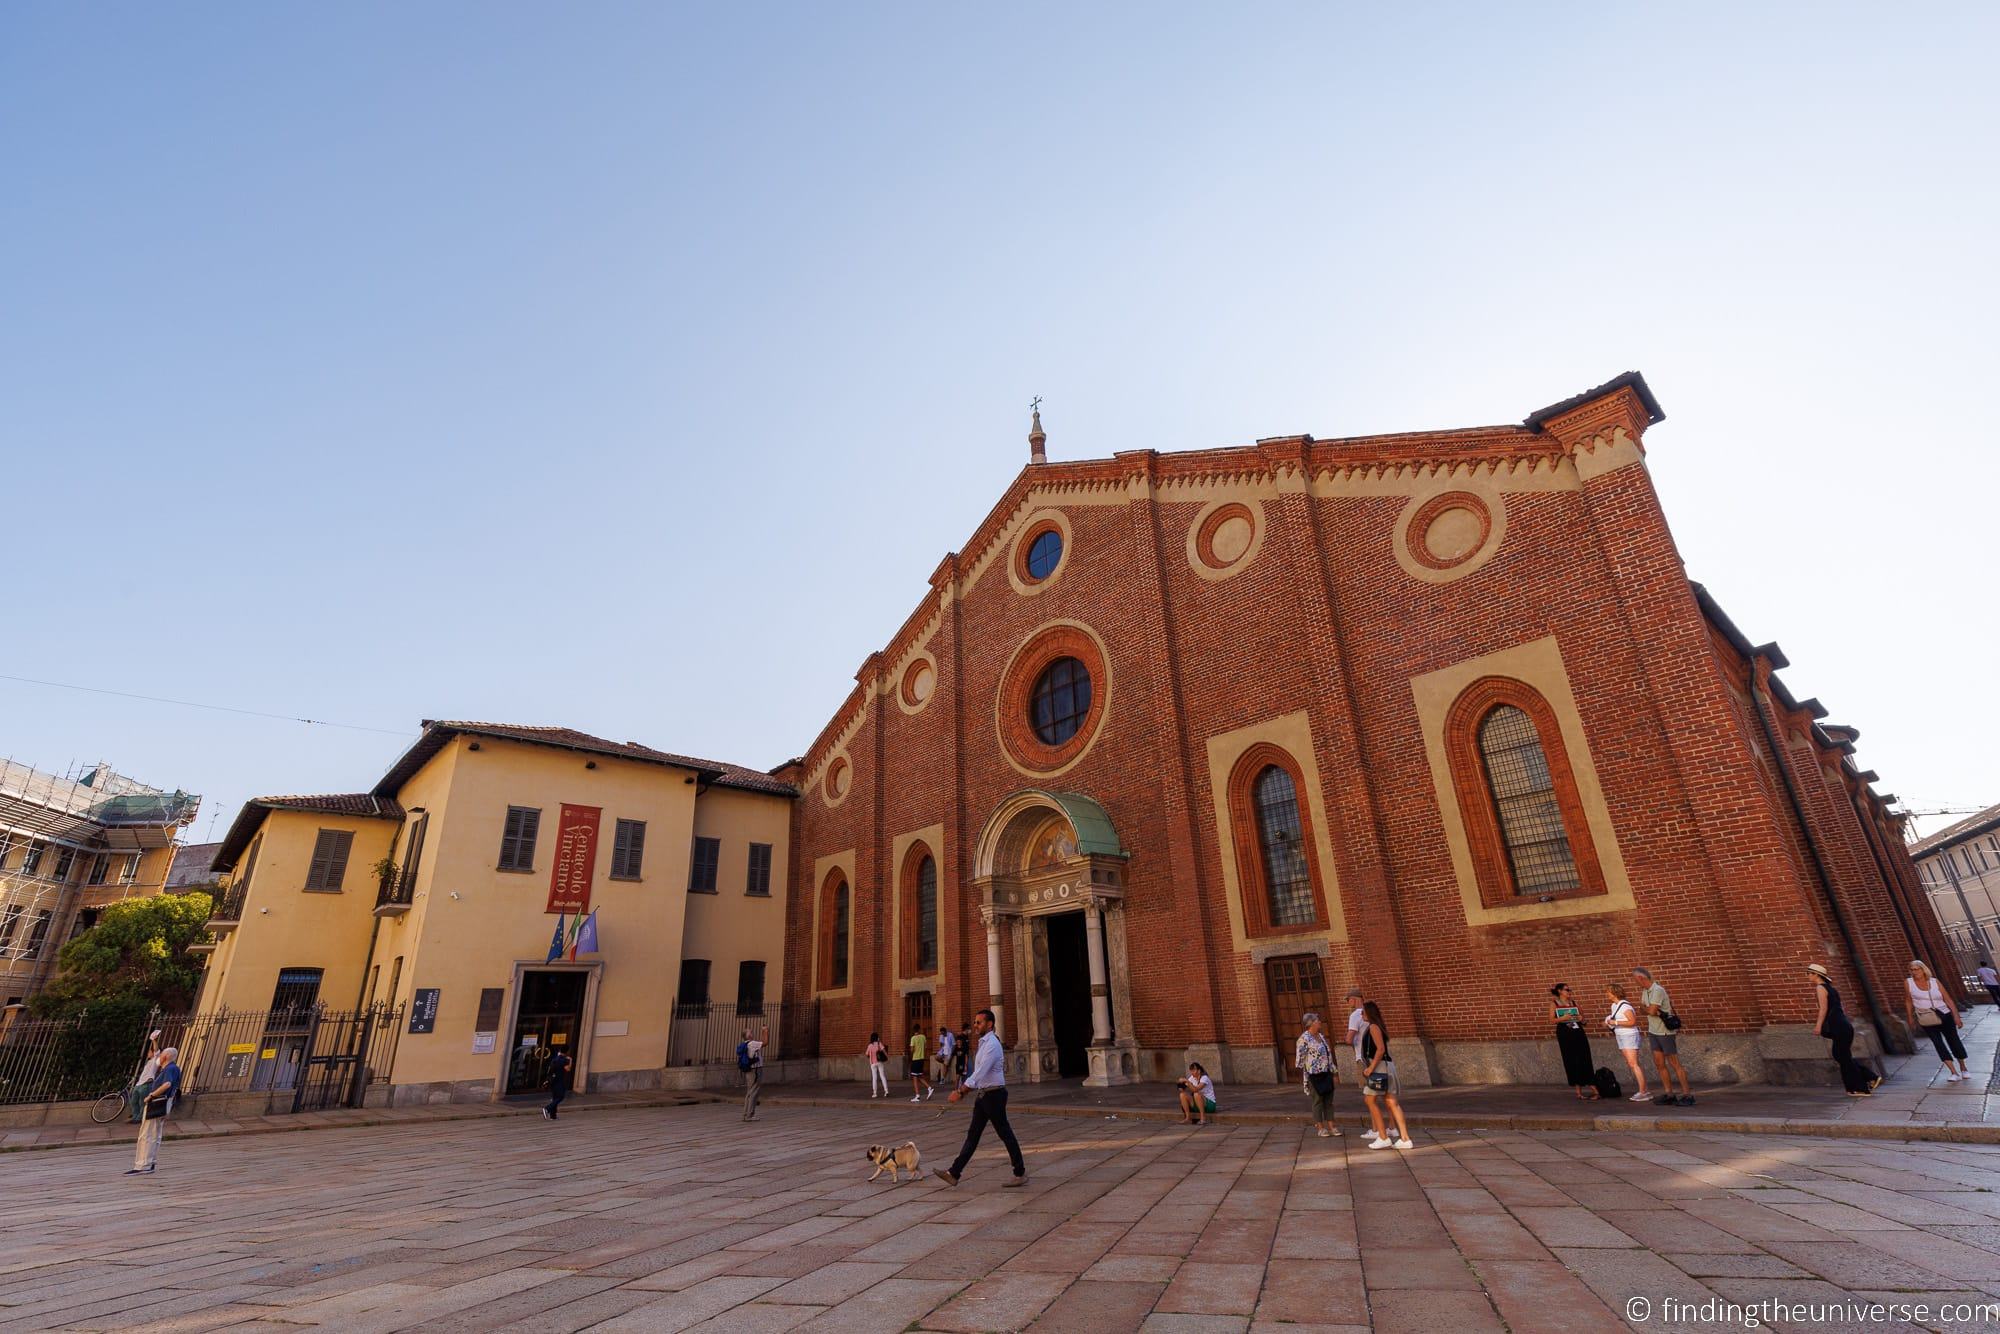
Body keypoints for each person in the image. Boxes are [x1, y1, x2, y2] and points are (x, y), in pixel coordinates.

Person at [933, 1009, 1026, 1188]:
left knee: (1004, 1133)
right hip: (984, 1095)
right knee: (973, 1135)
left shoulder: (992, 1044)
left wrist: (961, 1091)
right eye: (975, 1022)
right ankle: (954, 1173)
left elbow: (980, 1072)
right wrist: (965, 1090)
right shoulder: (983, 1043)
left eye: (979, 1022)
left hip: (994, 1095)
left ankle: (1020, 1172)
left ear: (989, 1024)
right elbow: (978, 1073)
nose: (975, 1025)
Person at [1808, 964, 1878, 1096]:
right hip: (1842, 1025)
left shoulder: (1820, 987)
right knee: (1841, 1056)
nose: (1808, 976)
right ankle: (1867, 1078)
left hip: (1838, 1026)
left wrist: (1818, 1025)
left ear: (1816, 974)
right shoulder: (1831, 989)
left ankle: (1861, 1087)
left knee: (1843, 1057)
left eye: (1810, 973)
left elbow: (1823, 1009)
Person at [1634, 966, 1693, 1106]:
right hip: (1653, 1031)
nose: (1635, 982)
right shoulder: (1645, 991)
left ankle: (1687, 1094)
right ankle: (1669, 1093)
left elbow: (1652, 1011)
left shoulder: (1658, 990)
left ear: (1641, 978)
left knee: (1674, 1063)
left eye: (1635, 979)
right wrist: (1647, 1009)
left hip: (1665, 1031)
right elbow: (1641, 1009)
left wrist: (1648, 1009)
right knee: (1659, 1063)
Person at [1358, 1002, 1412, 1149]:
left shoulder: (1374, 1027)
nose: (1361, 1014)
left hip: (1380, 1067)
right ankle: (1405, 1138)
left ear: (1369, 1013)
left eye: (1363, 1012)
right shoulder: (1376, 1026)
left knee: (1370, 1100)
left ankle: (1383, 1136)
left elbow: (1380, 1049)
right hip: (1386, 1066)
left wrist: (1371, 1068)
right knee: (1391, 1102)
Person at [1906, 959, 1969, 1082]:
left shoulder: (1934, 982)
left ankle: (1963, 1068)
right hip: (1926, 1017)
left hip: (1944, 1015)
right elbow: (1908, 1001)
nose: (1914, 972)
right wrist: (1910, 1018)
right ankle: (1953, 1072)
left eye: (1916, 969)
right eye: (1911, 970)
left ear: (1923, 969)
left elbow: (1948, 999)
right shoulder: (1908, 983)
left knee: (1954, 1041)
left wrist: (1956, 1016)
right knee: (1938, 1043)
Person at [125, 1046, 180, 1175]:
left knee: (147, 1133)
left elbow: (167, 1084)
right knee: (155, 1134)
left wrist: (151, 1095)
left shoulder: (169, 1069)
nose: (159, 1058)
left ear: (165, 1057)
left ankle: (142, 1165)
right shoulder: (175, 1068)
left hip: (156, 1102)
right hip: (164, 1103)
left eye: (161, 1056)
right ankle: (150, 1163)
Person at [1295, 1012, 1341, 1138]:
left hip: (1326, 1073)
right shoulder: (1303, 1039)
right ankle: (1320, 1127)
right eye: (1317, 1020)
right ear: (1311, 1023)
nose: (1320, 1022)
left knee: (1329, 1101)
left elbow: (1328, 1055)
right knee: (1318, 1101)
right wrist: (1311, 1066)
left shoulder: (1321, 1036)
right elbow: (1299, 1061)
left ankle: (1332, 1126)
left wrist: (1334, 1072)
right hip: (1314, 1075)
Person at [1551, 984, 1597, 1100]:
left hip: (1578, 1033)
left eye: (1569, 990)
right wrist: (1563, 1018)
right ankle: (1578, 1092)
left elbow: (1584, 1021)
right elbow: (1552, 1020)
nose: (1569, 992)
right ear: (1559, 991)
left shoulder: (1574, 1003)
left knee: (1584, 1058)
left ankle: (1594, 1089)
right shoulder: (1554, 1004)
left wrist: (1583, 1019)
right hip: (1565, 1035)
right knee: (1571, 1060)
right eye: (1567, 990)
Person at [1604, 983, 1649, 1101]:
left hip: (1629, 1035)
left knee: (1633, 1063)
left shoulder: (1625, 1006)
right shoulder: (1614, 1005)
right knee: (1631, 1063)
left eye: (1608, 992)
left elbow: (1632, 1021)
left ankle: (1643, 1092)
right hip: (1621, 1035)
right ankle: (1644, 1089)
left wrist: (1615, 1023)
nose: (1606, 994)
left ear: (1614, 993)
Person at [128, 1028, 164, 1124]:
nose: (148, 1053)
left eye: (149, 1051)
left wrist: (153, 1040)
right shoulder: (148, 1062)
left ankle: (139, 1118)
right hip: (139, 1084)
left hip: (146, 1084)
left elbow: (157, 1051)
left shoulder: (155, 1061)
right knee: (133, 1101)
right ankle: (135, 1116)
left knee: (142, 1102)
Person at [741, 1023, 768, 1122]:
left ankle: (745, 1114)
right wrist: (765, 1030)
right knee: (754, 1092)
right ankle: (750, 1115)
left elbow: (761, 1043)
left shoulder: (746, 1044)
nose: (752, 1033)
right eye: (750, 1032)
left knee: (750, 1091)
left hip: (749, 1070)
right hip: (756, 1069)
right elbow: (765, 1043)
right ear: (748, 1035)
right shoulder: (752, 1043)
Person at [1176, 1062, 1217, 1126]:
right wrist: (1180, 1084)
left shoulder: (1204, 1078)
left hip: (1210, 1105)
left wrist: (1187, 1082)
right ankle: (1188, 1118)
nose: (1192, 1072)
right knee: (1182, 1095)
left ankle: (1203, 1119)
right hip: (1197, 1104)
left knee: (1196, 1094)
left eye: (1194, 1070)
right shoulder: (1192, 1078)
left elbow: (1196, 1089)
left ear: (1199, 1070)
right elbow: (1182, 1089)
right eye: (1191, 1071)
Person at [542, 1049, 572, 1120]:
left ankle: (553, 1115)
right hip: (559, 1081)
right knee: (560, 1097)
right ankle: (547, 1109)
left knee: (555, 1097)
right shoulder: (564, 1060)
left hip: (552, 1081)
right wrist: (570, 1061)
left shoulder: (555, 1059)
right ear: (566, 1052)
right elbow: (568, 1069)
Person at [908, 1027, 934, 1102]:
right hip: (922, 1059)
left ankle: (917, 1095)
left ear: (913, 1031)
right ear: (919, 1030)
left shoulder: (913, 1038)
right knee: (919, 1076)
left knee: (914, 1078)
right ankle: (929, 1088)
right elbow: (925, 1047)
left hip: (915, 1059)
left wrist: (911, 1051)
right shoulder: (923, 1037)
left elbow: (912, 1050)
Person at [864, 1032, 889, 1098]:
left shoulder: (870, 1045)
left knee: (874, 1078)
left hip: (873, 1063)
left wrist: (871, 1057)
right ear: (877, 1037)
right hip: (879, 1062)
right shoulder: (879, 1043)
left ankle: (875, 1093)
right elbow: (884, 1051)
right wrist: (887, 1057)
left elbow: (867, 1054)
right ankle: (886, 1091)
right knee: (882, 1076)